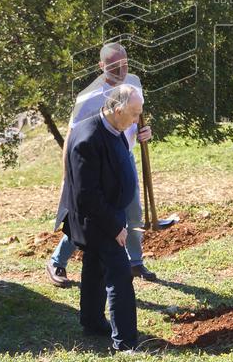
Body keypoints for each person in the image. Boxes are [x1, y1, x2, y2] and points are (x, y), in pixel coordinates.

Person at [47, 43, 156, 287]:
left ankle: (135, 262)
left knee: (133, 211)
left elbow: (137, 115)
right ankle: (57, 260)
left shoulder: (134, 83)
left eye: (125, 64)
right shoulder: (88, 97)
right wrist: (68, 174)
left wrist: (145, 132)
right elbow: (71, 134)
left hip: (124, 154)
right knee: (89, 217)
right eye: (114, 66)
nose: (121, 70)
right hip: (97, 163)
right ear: (101, 66)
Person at [56, 84, 142, 352]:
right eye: (134, 114)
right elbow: (86, 195)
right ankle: (125, 341)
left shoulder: (113, 128)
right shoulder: (87, 138)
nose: (136, 120)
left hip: (108, 214)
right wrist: (115, 226)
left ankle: (92, 322)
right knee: (119, 275)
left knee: (94, 268)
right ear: (117, 109)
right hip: (98, 220)